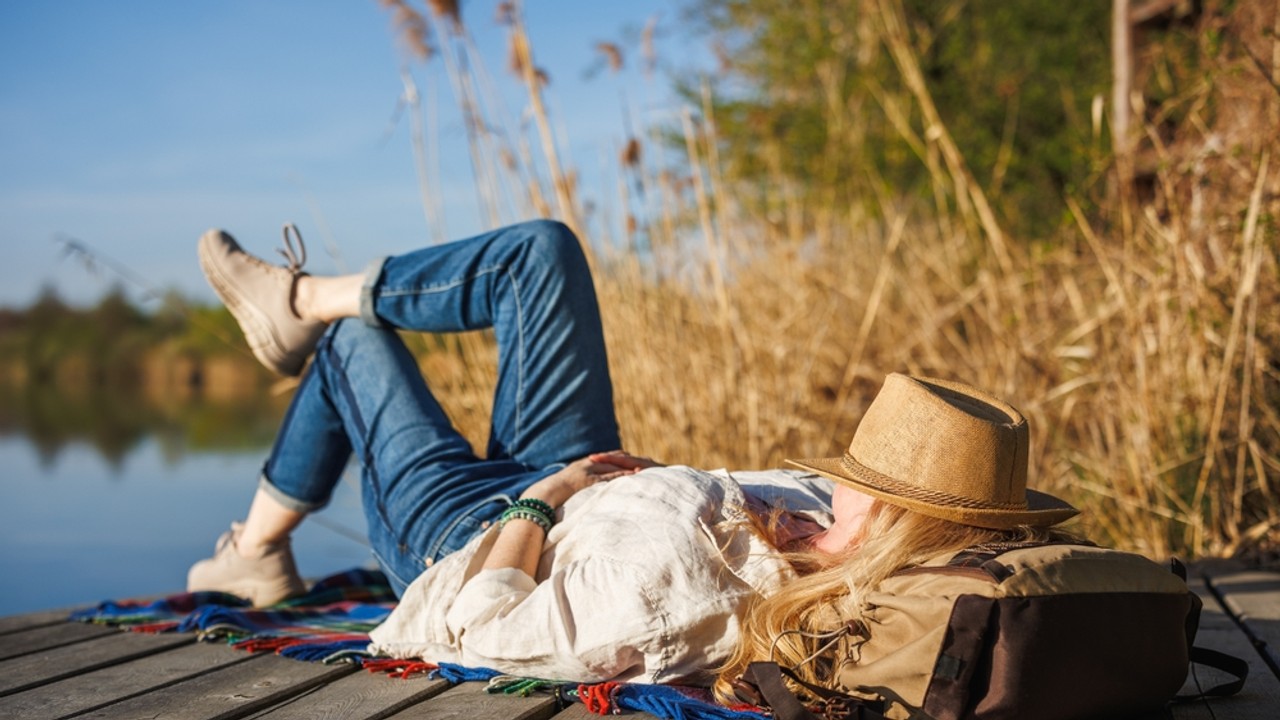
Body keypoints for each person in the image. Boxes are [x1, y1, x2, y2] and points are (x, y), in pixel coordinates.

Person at [187, 219, 1081, 694]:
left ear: (883, 509)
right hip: (586, 474)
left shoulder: (690, 593)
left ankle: (257, 544)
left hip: (477, 526)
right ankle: (301, 302)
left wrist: (544, 497)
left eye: (860, 474)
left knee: (353, 347)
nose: (838, 474)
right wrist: (629, 481)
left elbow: (485, 627)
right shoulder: (827, 522)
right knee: (540, 253)